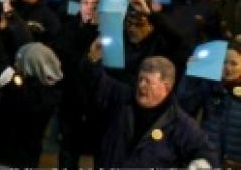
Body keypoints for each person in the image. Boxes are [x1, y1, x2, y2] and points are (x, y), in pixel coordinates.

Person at [85, 45, 216, 168]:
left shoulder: (180, 124)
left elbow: (206, 155)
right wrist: (92, 59)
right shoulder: (121, 99)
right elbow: (95, 81)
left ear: (166, 86)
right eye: (140, 79)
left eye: (148, 81)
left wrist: (201, 164)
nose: (141, 85)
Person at [177, 40, 241, 167]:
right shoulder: (209, 86)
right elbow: (184, 106)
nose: (227, 68)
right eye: (223, 62)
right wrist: (190, 74)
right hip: (210, 161)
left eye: (234, 64)